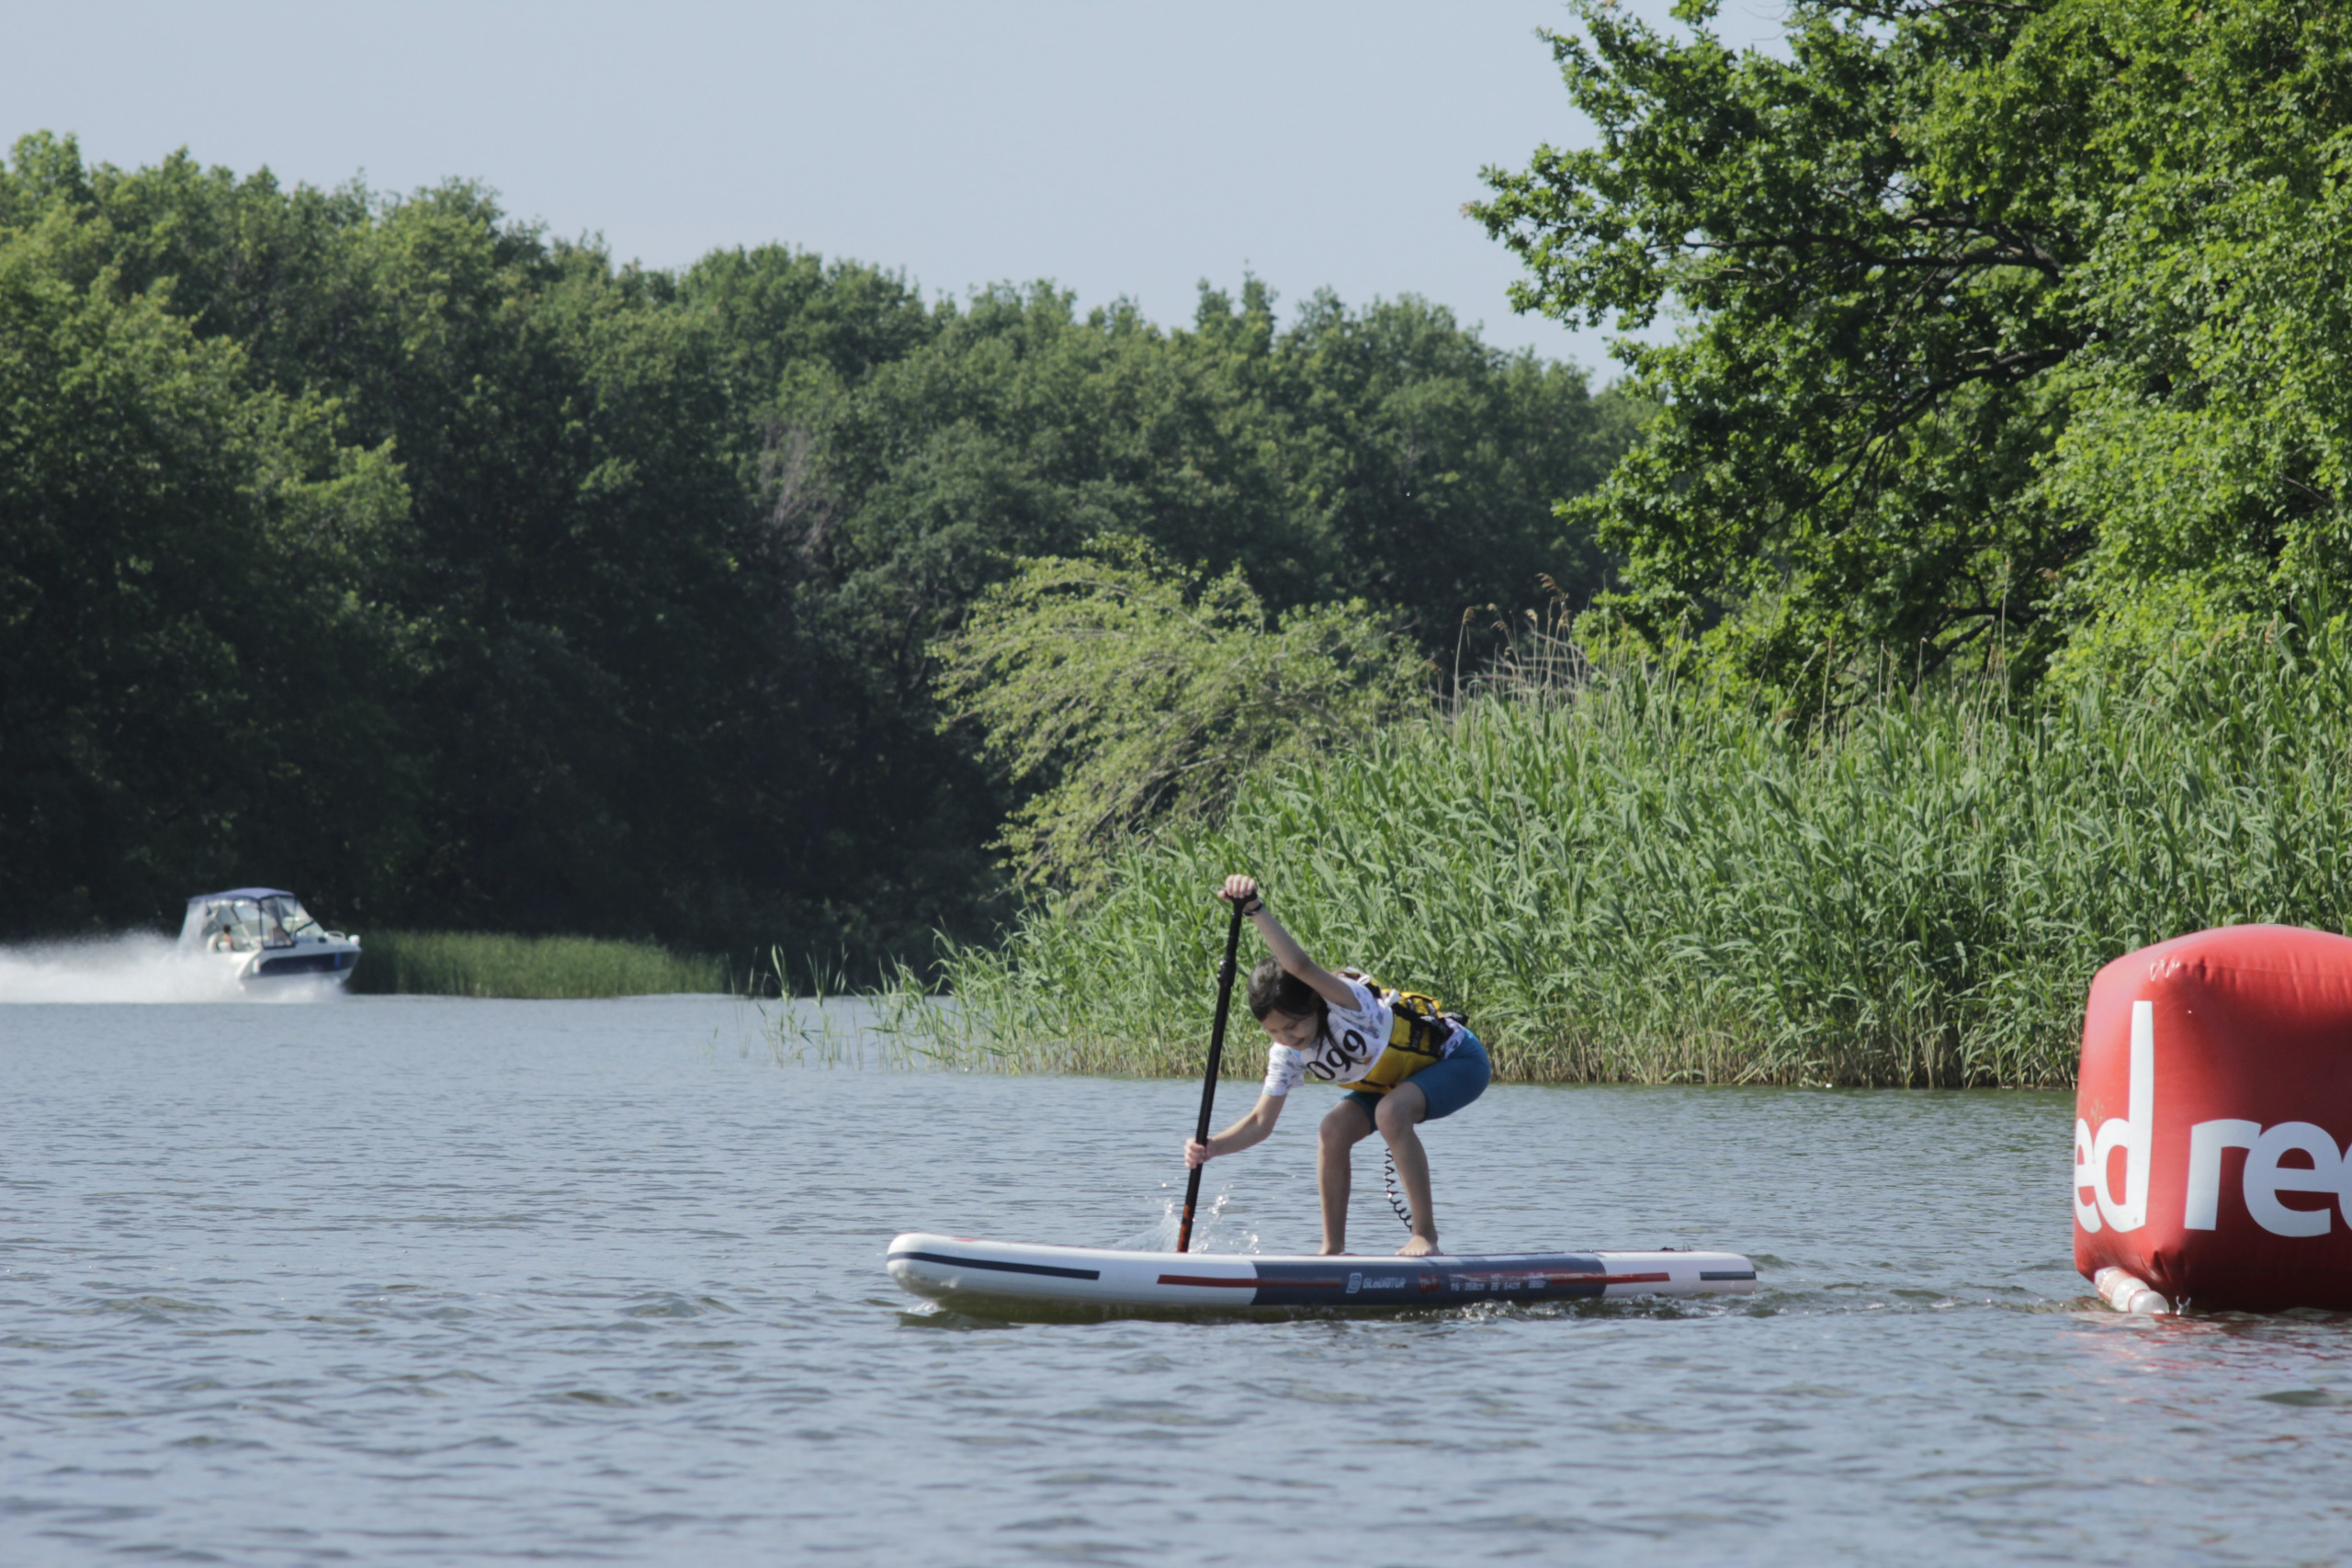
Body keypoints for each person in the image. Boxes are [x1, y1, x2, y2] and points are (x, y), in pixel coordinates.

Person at [1182, 873, 1490, 1257]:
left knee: (1390, 1114)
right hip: (1390, 1085)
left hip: (1458, 1061)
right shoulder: (1287, 1052)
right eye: (1274, 1032)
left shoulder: (1348, 1003)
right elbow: (1261, 1123)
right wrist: (1211, 1148)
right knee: (1332, 1130)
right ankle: (1333, 1250)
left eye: (1293, 1027)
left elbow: (1298, 965)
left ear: (1313, 1004)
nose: (1287, 1039)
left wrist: (1255, 910)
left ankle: (1425, 1235)